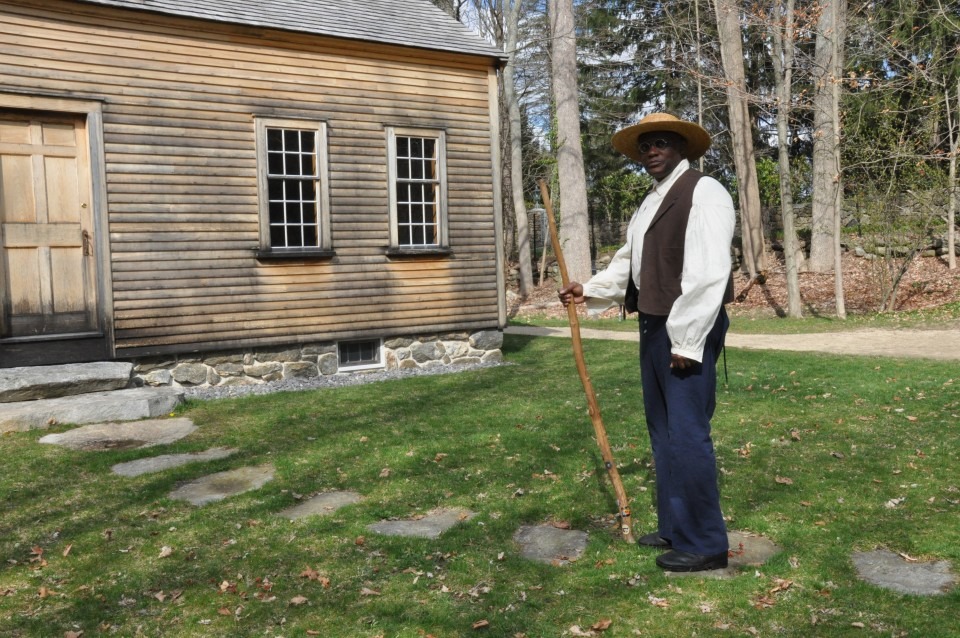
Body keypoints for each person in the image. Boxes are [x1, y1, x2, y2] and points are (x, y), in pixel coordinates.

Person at [558, 112, 735, 572]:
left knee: (689, 434)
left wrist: (688, 340)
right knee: (663, 433)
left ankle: (706, 544)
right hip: (654, 328)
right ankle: (677, 527)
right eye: (645, 147)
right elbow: (628, 262)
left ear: (681, 147)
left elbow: (708, 273)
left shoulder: (705, 192)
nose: (651, 152)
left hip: (685, 332)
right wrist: (590, 289)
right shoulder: (650, 201)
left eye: (660, 143)